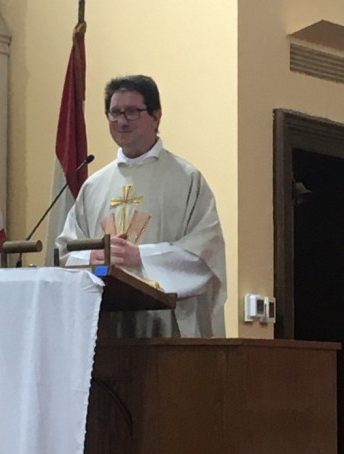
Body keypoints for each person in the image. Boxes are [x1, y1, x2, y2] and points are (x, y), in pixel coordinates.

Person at [56, 75, 227, 338]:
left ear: (156, 116)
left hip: (166, 332)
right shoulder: (94, 186)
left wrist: (141, 257)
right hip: (104, 330)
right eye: (115, 112)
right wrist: (91, 258)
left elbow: (206, 255)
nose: (122, 121)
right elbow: (64, 254)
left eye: (132, 112)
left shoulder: (186, 179)